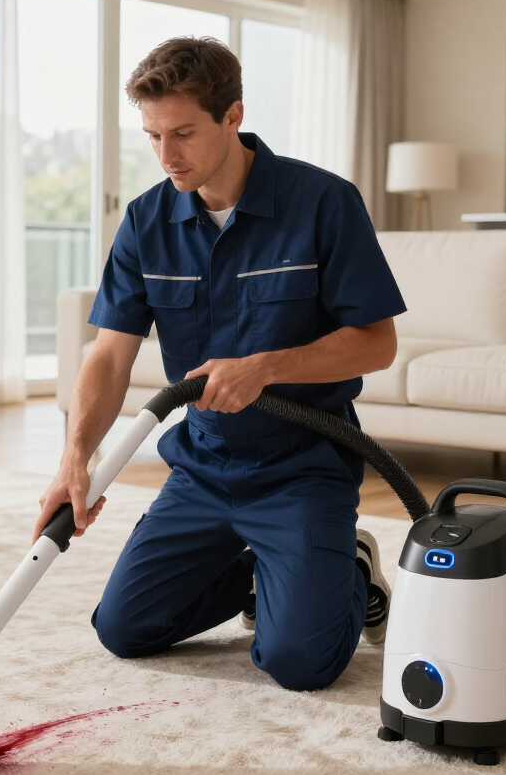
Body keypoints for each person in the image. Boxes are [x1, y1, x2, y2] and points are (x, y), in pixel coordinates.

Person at [34, 37, 406, 691]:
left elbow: (377, 342)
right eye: (152, 136)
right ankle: (268, 571)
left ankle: (343, 566)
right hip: (202, 471)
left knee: (298, 663)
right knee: (124, 629)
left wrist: (265, 366)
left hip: (302, 470)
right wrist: (75, 460)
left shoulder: (322, 202)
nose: (166, 155)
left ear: (233, 116)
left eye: (182, 133)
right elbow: (110, 355)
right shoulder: (146, 221)